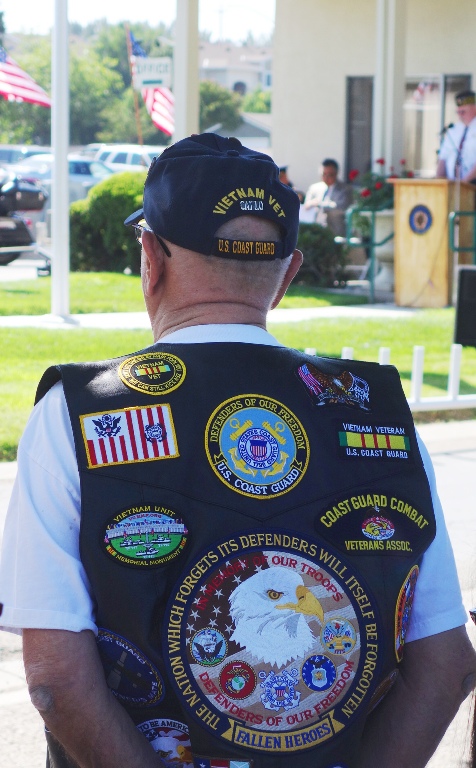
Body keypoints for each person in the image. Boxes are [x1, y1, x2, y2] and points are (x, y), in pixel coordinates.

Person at [0, 133, 475, 768]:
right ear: (288, 276)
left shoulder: (74, 414)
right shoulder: (380, 416)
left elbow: (56, 683)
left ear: (150, 259)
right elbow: (445, 663)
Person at [303, 158, 353, 234]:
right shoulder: (314, 188)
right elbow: (306, 206)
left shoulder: (345, 189)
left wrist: (319, 204)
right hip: (316, 231)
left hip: (336, 231)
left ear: (336, 173)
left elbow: (341, 207)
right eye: (323, 174)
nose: (326, 178)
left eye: (330, 175)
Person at [436, 89, 476, 183]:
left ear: (474, 108)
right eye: (458, 112)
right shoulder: (453, 130)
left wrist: (464, 183)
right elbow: (443, 159)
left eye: (463, 112)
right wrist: (439, 181)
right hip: (453, 185)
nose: (460, 115)